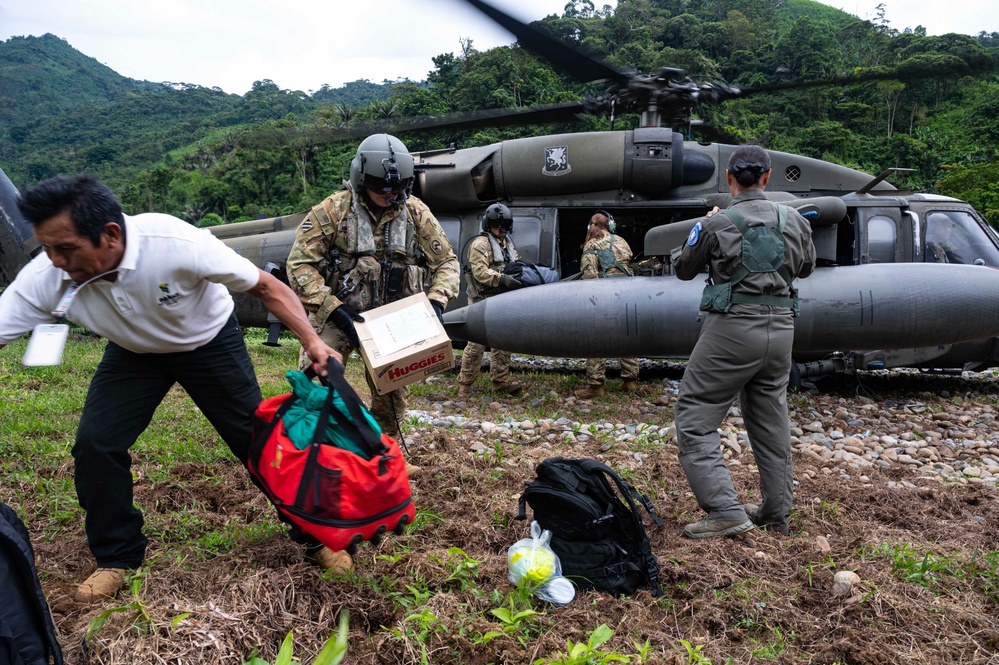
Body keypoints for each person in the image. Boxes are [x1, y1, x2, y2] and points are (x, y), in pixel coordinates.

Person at [0, 174, 345, 604]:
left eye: (66, 248)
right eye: (47, 248)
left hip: (209, 342)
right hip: (134, 353)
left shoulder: (174, 242)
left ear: (110, 235)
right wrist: (60, 258)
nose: (55, 261)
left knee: (257, 441)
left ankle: (318, 536)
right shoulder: (48, 274)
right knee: (95, 444)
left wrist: (313, 342)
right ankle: (117, 559)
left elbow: (267, 286)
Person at [671, 145, 816, 539]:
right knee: (771, 420)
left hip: (732, 329)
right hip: (782, 329)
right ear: (767, 177)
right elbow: (806, 266)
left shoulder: (718, 223)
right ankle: (775, 513)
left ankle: (724, 511)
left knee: (696, 415)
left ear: (730, 179)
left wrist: (702, 226)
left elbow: (684, 269)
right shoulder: (795, 220)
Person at [286, 134, 459, 438]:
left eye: (397, 188)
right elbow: (299, 265)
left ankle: (385, 452)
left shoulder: (415, 213)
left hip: (391, 318)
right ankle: (314, 447)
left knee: (391, 395)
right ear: (361, 178)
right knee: (314, 376)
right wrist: (333, 309)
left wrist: (436, 302)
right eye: (381, 188)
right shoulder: (333, 211)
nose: (389, 194)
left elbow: (446, 262)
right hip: (340, 312)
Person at [457, 203, 524, 396]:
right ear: (489, 225)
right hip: (482, 299)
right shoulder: (480, 244)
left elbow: (515, 263)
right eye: (497, 226)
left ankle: (500, 382)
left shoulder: (507, 243)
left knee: (503, 342)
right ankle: (465, 385)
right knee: (476, 344)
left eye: (504, 226)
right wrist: (502, 278)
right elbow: (479, 273)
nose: (501, 229)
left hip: (501, 299)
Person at [574, 211, 640, 399]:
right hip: (626, 294)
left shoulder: (592, 244)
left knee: (595, 338)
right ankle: (630, 381)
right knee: (626, 335)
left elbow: (589, 276)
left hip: (604, 296)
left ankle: (596, 386)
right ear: (610, 226)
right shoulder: (621, 241)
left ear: (592, 226)